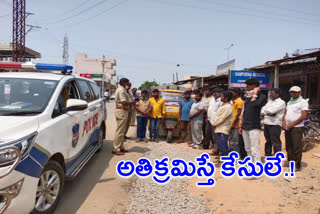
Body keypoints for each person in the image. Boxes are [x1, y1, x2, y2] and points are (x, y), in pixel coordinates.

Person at [238, 78, 267, 163]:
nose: (246, 87)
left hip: (254, 126)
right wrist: (240, 125)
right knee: (247, 148)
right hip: (245, 126)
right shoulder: (247, 97)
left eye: (249, 85)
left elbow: (254, 105)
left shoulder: (261, 97)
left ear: (254, 86)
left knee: (255, 148)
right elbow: (244, 111)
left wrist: (255, 95)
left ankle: (257, 167)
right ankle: (250, 165)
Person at [283, 86, 308, 171]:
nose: (293, 93)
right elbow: (286, 113)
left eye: (295, 92)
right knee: (288, 146)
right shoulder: (289, 102)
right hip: (287, 127)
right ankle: (290, 162)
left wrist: (291, 125)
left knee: (296, 146)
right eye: (292, 92)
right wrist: (284, 123)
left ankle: (297, 165)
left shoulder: (303, 102)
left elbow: (303, 116)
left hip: (297, 128)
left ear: (300, 92)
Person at [113, 78, 135, 155]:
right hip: (121, 111)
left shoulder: (124, 90)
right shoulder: (121, 90)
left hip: (124, 111)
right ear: (124, 83)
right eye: (127, 83)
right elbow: (124, 102)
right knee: (119, 131)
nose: (128, 85)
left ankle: (121, 147)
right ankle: (116, 148)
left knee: (122, 131)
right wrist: (132, 102)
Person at [261, 88, 286, 156]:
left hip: (275, 124)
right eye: (270, 93)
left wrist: (268, 112)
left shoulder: (281, 102)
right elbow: (262, 110)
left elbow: (272, 111)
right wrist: (268, 113)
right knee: (268, 140)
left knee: (275, 141)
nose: (270, 95)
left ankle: (277, 156)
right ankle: (268, 154)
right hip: (267, 122)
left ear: (277, 94)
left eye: (272, 93)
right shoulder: (269, 101)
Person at [212, 91, 233, 156]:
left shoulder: (228, 107)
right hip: (220, 127)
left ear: (226, 98)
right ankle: (222, 158)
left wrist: (213, 123)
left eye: (222, 96)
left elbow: (221, 118)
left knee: (223, 145)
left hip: (223, 128)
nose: (220, 97)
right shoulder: (224, 105)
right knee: (221, 144)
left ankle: (225, 160)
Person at [207, 88, 224, 154]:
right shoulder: (214, 100)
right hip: (212, 121)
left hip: (218, 122)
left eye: (217, 92)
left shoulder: (222, 101)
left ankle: (220, 151)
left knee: (219, 137)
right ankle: (216, 149)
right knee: (214, 137)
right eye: (214, 92)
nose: (215, 94)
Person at [229, 88, 243, 154]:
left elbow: (239, 113)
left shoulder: (239, 101)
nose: (231, 93)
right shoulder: (233, 101)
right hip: (231, 122)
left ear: (236, 93)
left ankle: (237, 155)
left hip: (235, 124)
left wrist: (234, 123)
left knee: (235, 141)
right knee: (231, 140)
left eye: (232, 92)